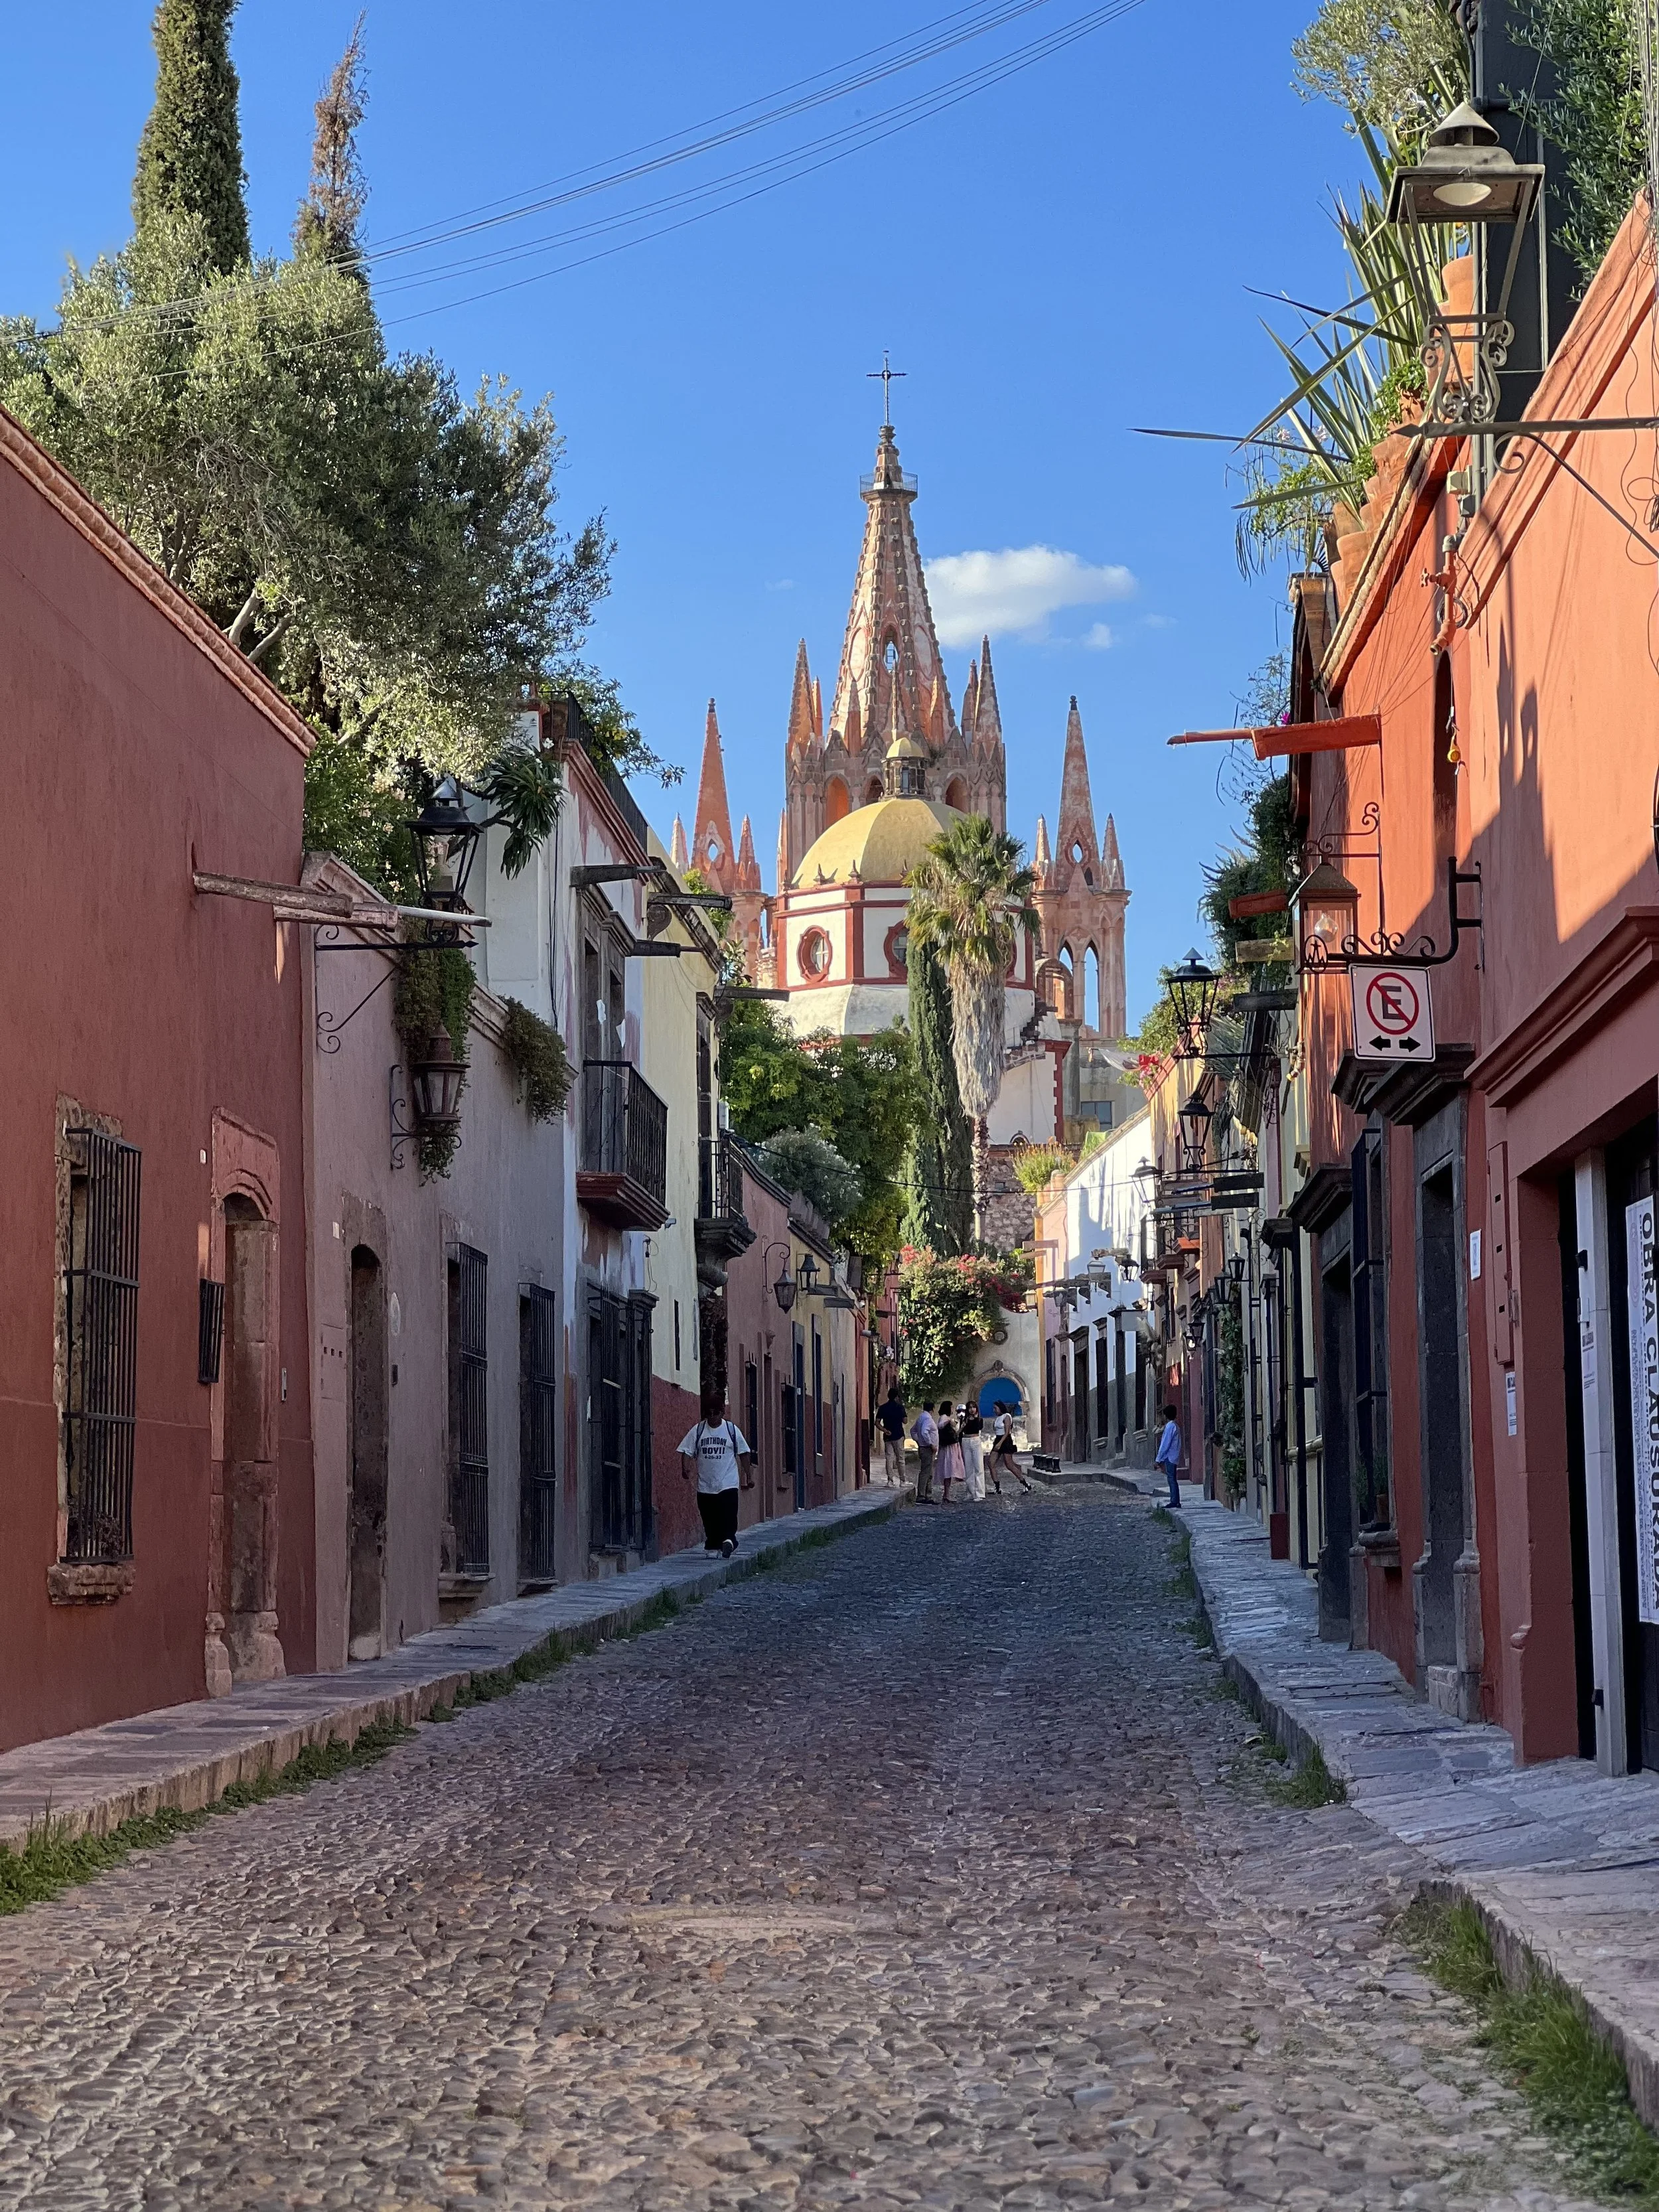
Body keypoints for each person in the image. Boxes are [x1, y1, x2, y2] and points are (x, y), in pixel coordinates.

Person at [678, 1392, 755, 1556]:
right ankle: (714, 1544)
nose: (712, 1417)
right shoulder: (698, 1430)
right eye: (709, 1413)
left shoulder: (731, 1430)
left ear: (722, 1412)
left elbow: (744, 1453)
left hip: (728, 1482)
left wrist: (749, 1476)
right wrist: (685, 1468)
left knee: (728, 1514)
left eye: (716, 1413)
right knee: (709, 1517)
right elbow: (686, 1450)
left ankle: (728, 1540)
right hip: (706, 1484)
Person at [989, 1411, 1030, 1496]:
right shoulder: (997, 1418)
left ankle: (1025, 1483)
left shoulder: (1007, 1416)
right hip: (998, 1439)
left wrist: (1000, 1443)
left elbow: (1007, 1431)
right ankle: (997, 1487)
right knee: (991, 1463)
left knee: (1009, 1465)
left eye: (995, 1408)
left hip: (1005, 1441)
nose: (994, 1410)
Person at [877, 1386, 908, 1487]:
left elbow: (877, 1423)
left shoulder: (883, 1408)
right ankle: (902, 1480)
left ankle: (890, 1480)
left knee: (889, 1458)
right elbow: (905, 1421)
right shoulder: (900, 1408)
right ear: (897, 1397)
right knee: (900, 1459)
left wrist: (885, 1430)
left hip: (888, 1436)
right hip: (898, 1435)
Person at [1155, 1402, 1183, 1509]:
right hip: (1174, 1456)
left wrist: (1158, 1459)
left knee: (1171, 1479)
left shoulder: (1170, 1427)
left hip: (1170, 1457)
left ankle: (1174, 1501)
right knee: (1172, 1479)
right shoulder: (1175, 1426)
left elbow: (1165, 1444)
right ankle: (1175, 1500)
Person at [910, 1400, 938, 1502]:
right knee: (926, 1472)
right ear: (933, 1409)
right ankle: (922, 1495)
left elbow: (913, 1431)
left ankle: (928, 1495)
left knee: (928, 1472)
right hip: (927, 1448)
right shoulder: (928, 1419)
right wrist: (930, 1443)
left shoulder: (921, 1417)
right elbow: (924, 1432)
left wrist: (918, 1440)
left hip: (923, 1447)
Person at [936, 1401, 962, 1502]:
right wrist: (949, 1421)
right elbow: (941, 1426)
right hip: (948, 1448)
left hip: (951, 1447)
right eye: (952, 1407)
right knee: (948, 1469)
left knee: (949, 1470)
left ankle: (947, 1494)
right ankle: (947, 1494)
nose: (953, 1409)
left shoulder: (946, 1418)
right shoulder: (944, 1418)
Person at [960, 1403, 986, 1501]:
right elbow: (961, 1431)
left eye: (974, 1407)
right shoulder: (964, 1420)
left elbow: (978, 1428)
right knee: (969, 1467)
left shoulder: (979, 1420)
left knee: (978, 1467)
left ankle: (980, 1493)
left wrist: (975, 1418)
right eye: (970, 1408)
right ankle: (971, 1492)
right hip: (966, 1441)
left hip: (975, 1441)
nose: (972, 1409)